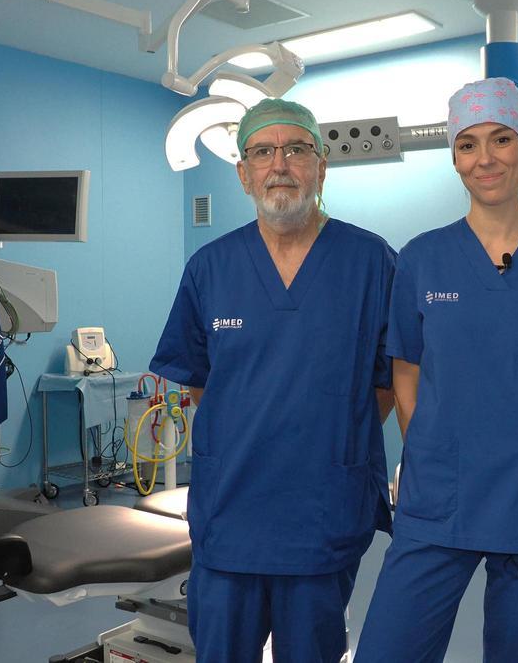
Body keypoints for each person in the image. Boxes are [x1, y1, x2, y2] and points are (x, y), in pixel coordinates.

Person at [355, 78, 518, 663]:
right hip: (440, 497)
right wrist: (431, 454)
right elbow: (406, 372)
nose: (484, 158)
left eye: (501, 139)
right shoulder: (422, 258)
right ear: (453, 158)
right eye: (467, 144)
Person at [149, 98, 396, 663]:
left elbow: (389, 380)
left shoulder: (371, 261)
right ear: (242, 172)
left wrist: (331, 432)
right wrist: (251, 427)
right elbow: (200, 383)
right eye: (262, 151)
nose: (278, 163)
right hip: (231, 510)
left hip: (322, 512)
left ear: (321, 165)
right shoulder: (210, 268)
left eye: (296, 149)